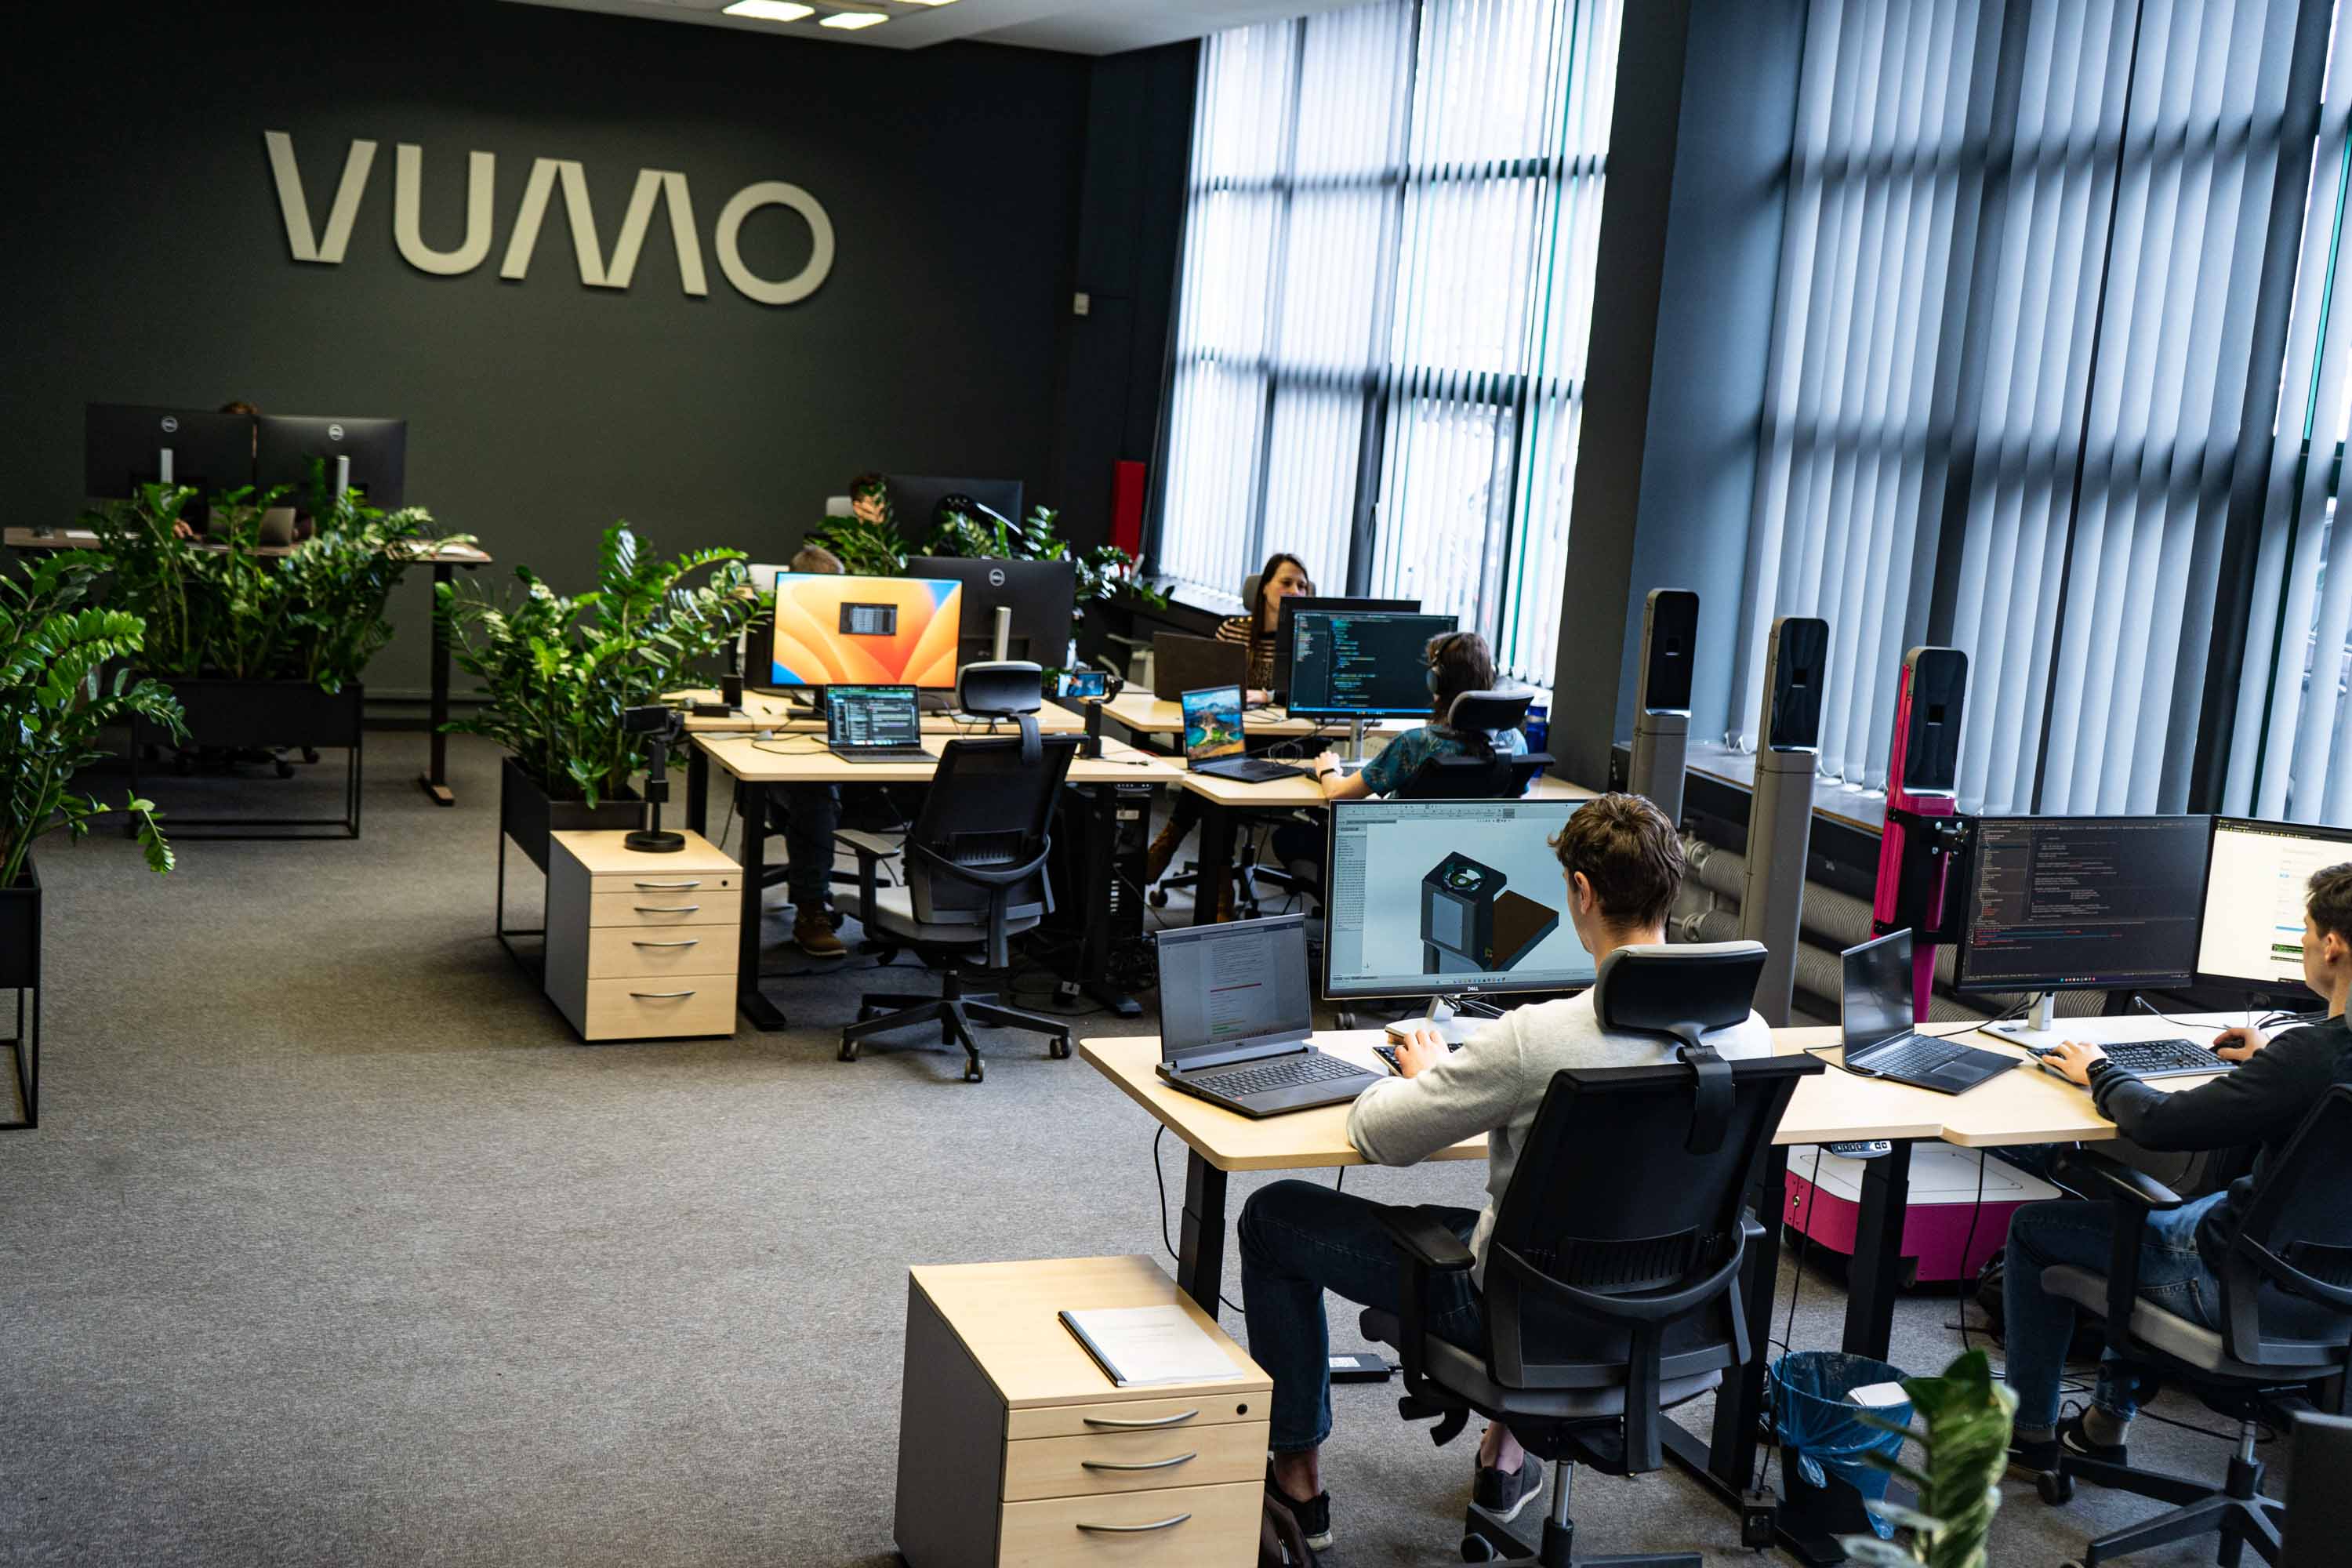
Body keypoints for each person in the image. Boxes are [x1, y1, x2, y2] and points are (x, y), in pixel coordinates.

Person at [1241, 793, 1769, 1552]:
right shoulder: (1743, 1033)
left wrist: (1419, 1074)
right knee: (1555, 1230)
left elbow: (1381, 1135)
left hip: (1517, 1320)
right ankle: (1504, 1456)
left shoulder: (1538, 1038)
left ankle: (1298, 1481)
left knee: (1275, 1216)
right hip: (1673, 1309)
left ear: (1582, 893)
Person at [2002, 861, 2352, 1473]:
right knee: (2178, 1208)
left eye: (2303, 930)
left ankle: (2030, 1437)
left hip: (2234, 1289)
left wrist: (2100, 1071)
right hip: (2333, 1296)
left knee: (2042, 1230)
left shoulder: (2314, 1057)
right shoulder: (2307, 1058)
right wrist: (2273, 1063)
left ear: (2332, 943)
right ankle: (2102, 1426)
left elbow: (2160, 1126)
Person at [1141, 552, 1318, 912]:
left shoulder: (1311, 638)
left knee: (1218, 770)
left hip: (1285, 748)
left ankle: (1171, 844)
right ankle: (1218, 890)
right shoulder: (1233, 629)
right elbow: (1210, 685)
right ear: (1264, 588)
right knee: (1219, 771)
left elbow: (1311, 692)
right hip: (1228, 737)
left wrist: (1268, 695)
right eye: (1286, 582)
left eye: (1302, 585)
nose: (1295, 591)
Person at [771, 543, 850, 957]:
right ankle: (810, 909)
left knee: (937, 783)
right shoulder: (775, 631)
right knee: (816, 791)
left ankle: (937, 909)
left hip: (859, 747)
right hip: (790, 762)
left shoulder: (859, 633)